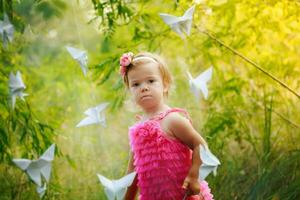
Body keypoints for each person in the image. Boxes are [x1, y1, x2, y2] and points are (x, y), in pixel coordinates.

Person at [120, 52, 213, 200]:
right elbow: (133, 171)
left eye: (151, 81)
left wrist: (194, 176)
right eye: (136, 84)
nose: (143, 88)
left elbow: (200, 146)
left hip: (182, 195)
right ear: (130, 90)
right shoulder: (138, 129)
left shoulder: (172, 119)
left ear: (165, 84)